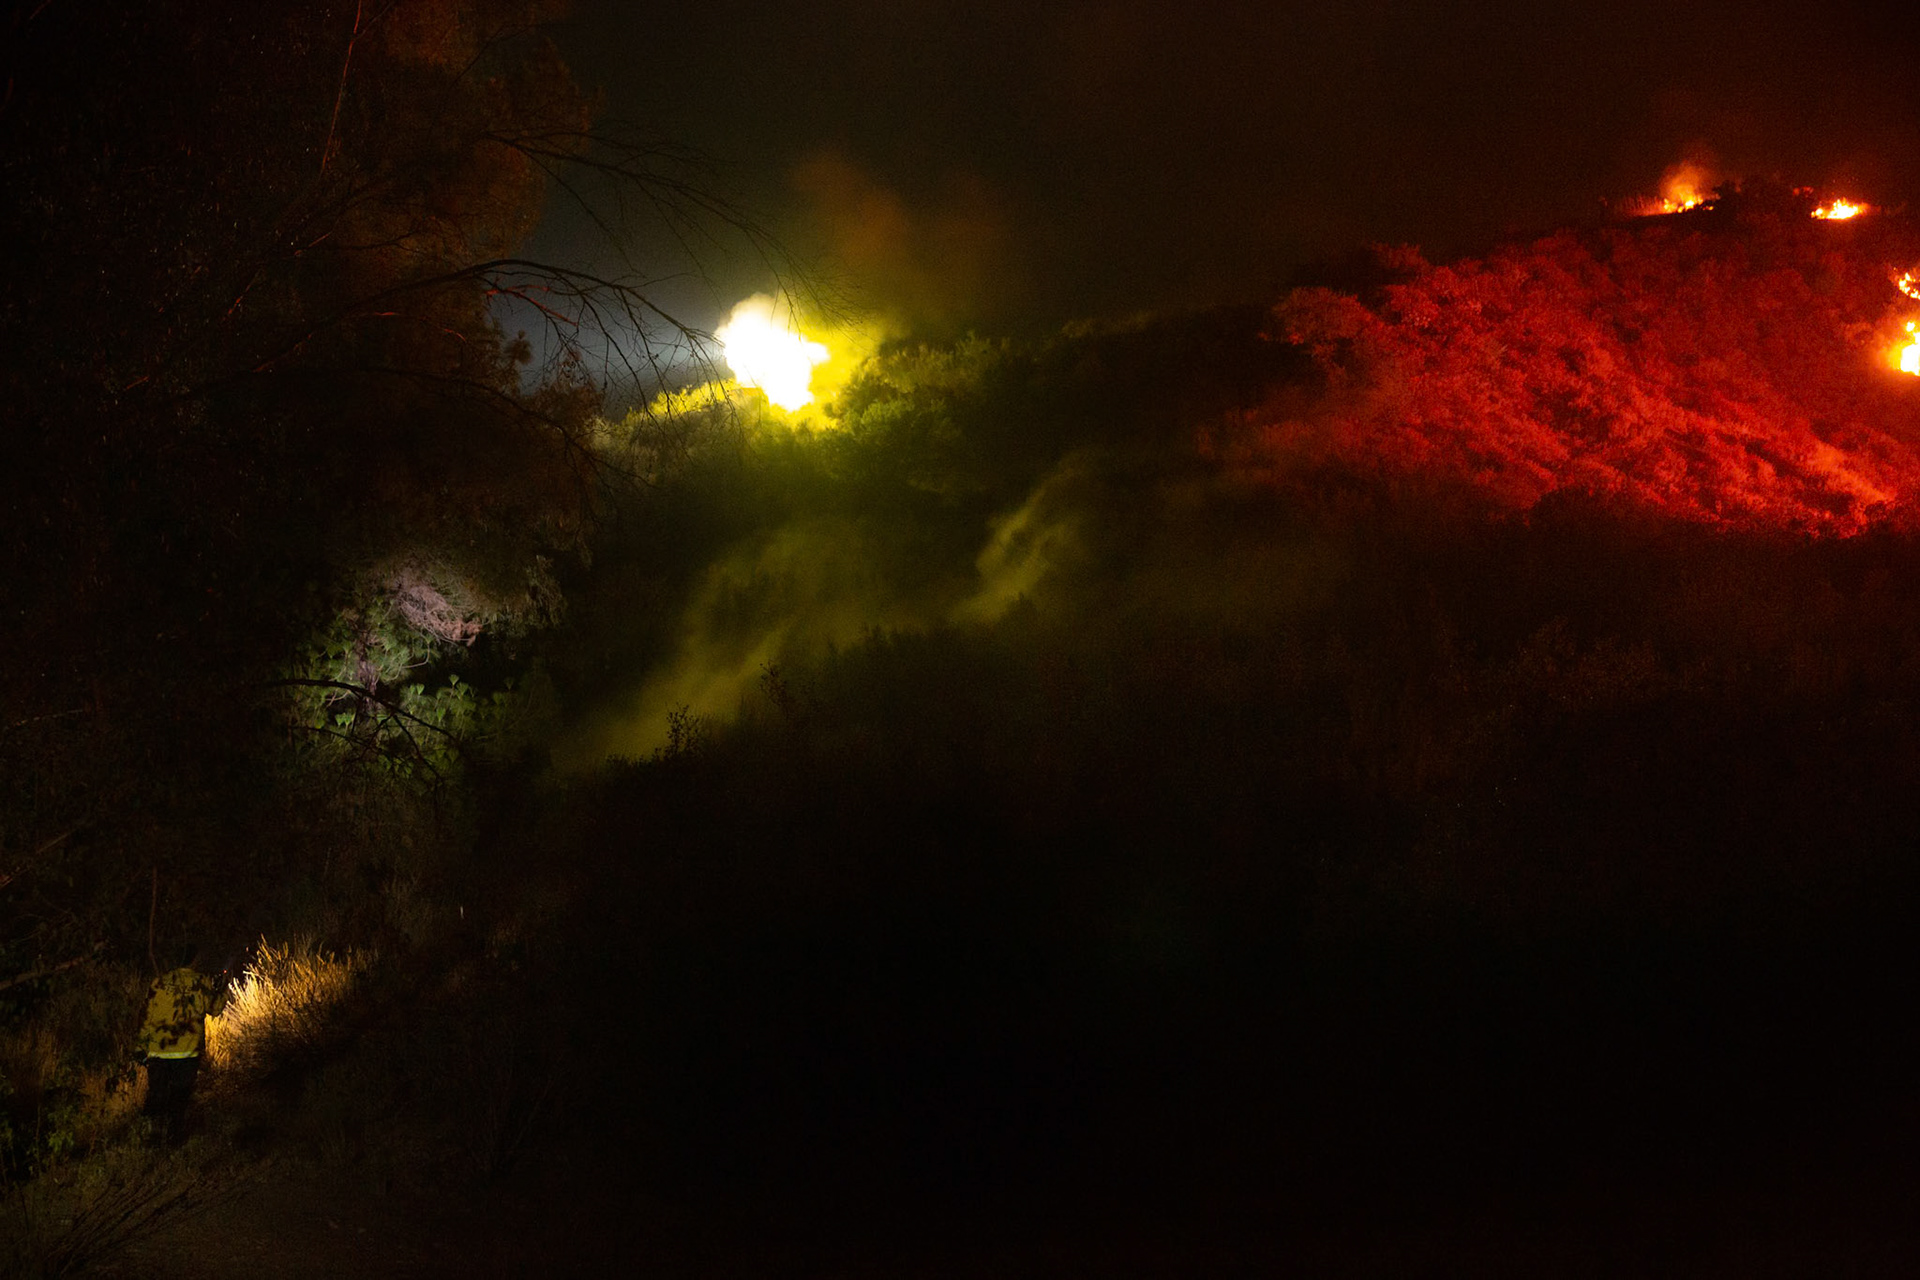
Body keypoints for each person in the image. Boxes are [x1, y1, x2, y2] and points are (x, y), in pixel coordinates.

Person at [136, 951, 230, 1142]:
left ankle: (153, 1133)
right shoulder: (200, 981)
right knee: (180, 1096)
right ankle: (174, 1136)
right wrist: (223, 991)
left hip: (158, 1051)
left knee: (157, 1092)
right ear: (195, 960)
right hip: (186, 1052)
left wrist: (140, 1047)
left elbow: (146, 1016)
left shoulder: (158, 983)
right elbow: (214, 1009)